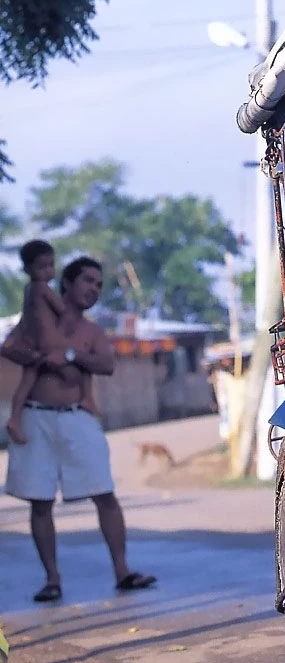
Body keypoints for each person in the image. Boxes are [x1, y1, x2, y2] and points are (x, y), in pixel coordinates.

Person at [1, 256, 156, 602]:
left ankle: (122, 571)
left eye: (99, 285)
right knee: (40, 501)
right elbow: (8, 347)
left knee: (105, 493)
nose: (94, 289)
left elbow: (106, 364)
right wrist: (40, 357)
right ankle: (52, 579)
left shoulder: (92, 331)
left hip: (77, 417)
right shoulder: (35, 321)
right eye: (88, 281)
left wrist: (69, 355)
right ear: (66, 284)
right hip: (35, 416)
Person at [5, 239, 97, 446]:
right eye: (42, 267)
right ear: (28, 269)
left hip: (35, 343)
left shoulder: (29, 290)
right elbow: (62, 309)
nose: (48, 271)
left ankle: (15, 418)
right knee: (81, 359)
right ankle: (87, 397)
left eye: (51, 265)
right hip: (50, 342)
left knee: (27, 381)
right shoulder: (41, 288)